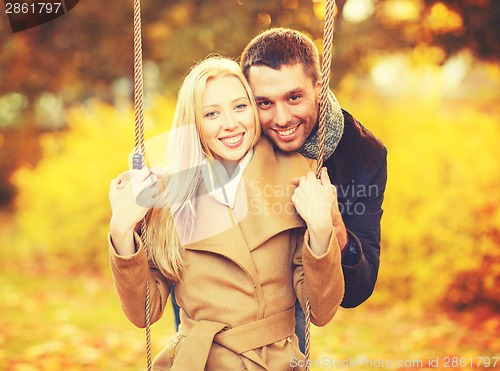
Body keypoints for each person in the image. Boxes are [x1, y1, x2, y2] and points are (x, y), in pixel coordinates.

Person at [108, 56, 344, 370]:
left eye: (240, 106)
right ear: (194, 123)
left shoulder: (298, 179)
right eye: (212, 113)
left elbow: (321, 311)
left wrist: (320, 231)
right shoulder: (167, 194)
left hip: (273, 361)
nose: (230, 123)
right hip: (199, 360)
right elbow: (144, 314)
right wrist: (122, 232)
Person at [240, 28, 388, 352]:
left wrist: (336, 227)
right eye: (264, 102)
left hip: (291, 296)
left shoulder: (363, 156)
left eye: (294, 97)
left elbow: (357, 290)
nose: (281, 118)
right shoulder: (235, 135)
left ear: (318, 87)